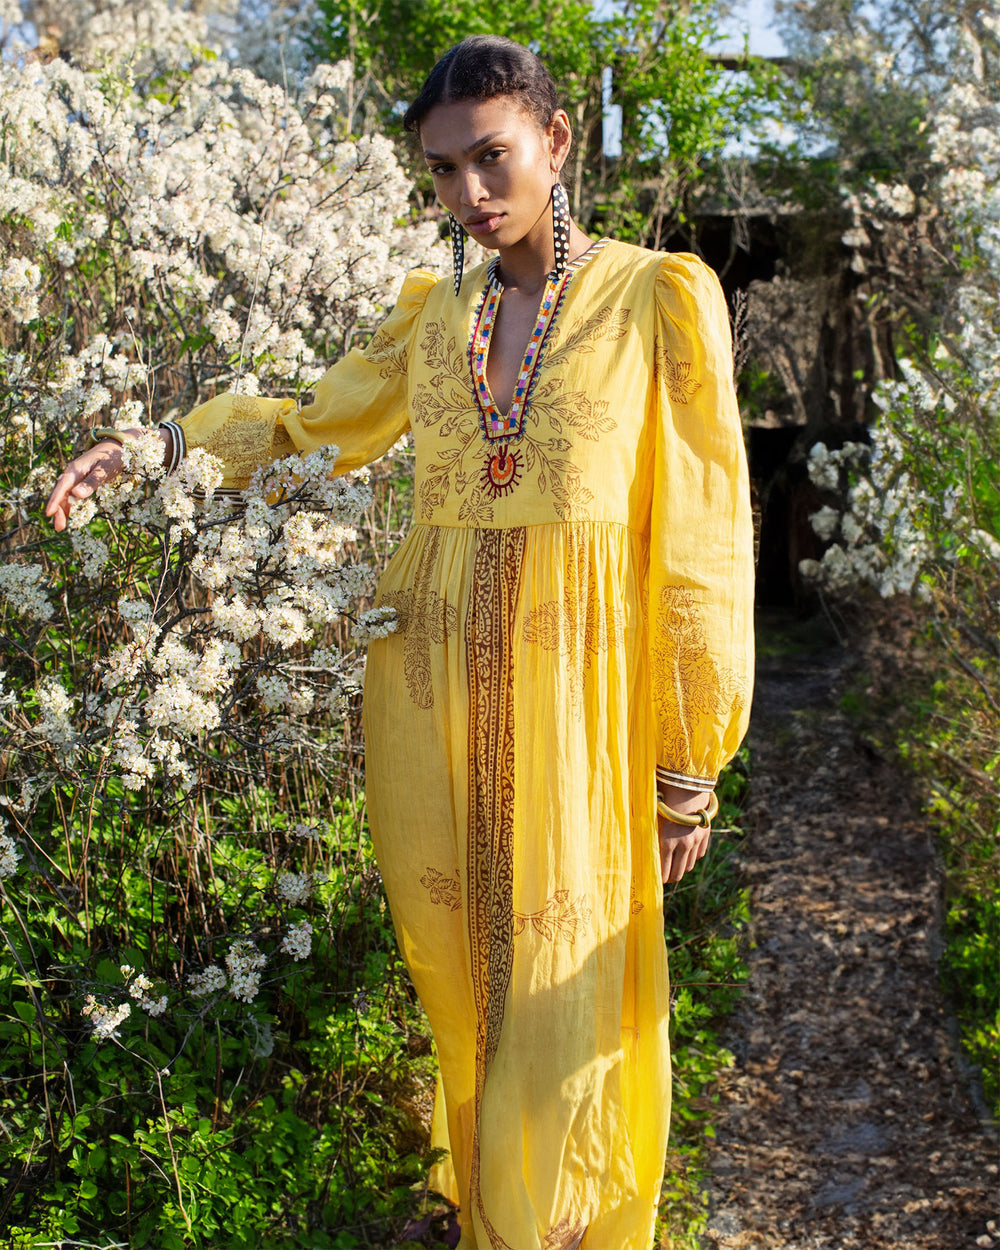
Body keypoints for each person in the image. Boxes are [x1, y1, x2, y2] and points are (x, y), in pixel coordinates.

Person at [46, 35, 754, 1250]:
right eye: (444, 171)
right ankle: (493, 1212)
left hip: (579, 700)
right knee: (463, 966)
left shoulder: (655, 298)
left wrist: (688, 758)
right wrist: (159, 445)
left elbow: (704, 533)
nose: (471, 194)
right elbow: (315, 420)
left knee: (567, 969)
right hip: (429, 688)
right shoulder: (438, 317)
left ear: (554, 144)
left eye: (493, 158)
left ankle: (568, 1222)